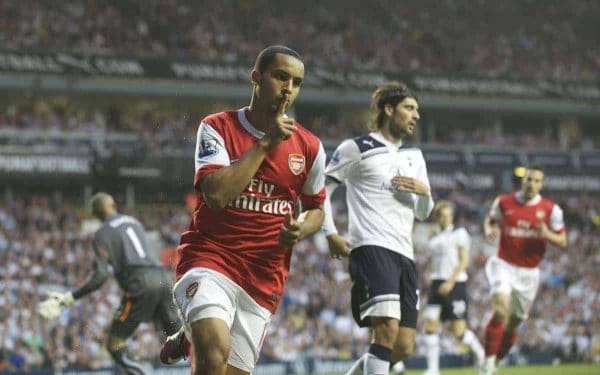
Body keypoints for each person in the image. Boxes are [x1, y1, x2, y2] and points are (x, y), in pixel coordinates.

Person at [160, 45, 326, 375]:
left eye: (296, 82)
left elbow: (317, 209)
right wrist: (266, 143)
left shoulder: (310, 146)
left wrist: (303, 228)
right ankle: (198, 335)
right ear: (256, 78)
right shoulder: (216, 127)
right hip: (211, 257)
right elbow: (217, 195)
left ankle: (190, 336)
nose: (288, 88)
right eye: (280, 77)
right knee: (213, 354)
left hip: (264, 277)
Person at [322, 81, 434, 375]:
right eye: (409, 108)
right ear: (388, 109)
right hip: (371, 247)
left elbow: (424, 213)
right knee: (385, 331)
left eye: (417, 110)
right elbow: (321, 190)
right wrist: (330, 232)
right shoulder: (357, 148)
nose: (416, 115)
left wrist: (425, 193)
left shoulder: (414, 155)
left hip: (405, 254)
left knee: (403, 346)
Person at [38, 192, 181, 374]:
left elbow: (100, 276)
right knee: (178, 338)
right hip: (162, 278)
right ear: (113, 205)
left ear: (96, 214)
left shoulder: (101, 234)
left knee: (115, 344)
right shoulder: (133, 222)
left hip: (139, 283)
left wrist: (69, 298)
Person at [481, 166, 567, 374]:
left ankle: (497, 360)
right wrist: (489, 229)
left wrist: (547, 233)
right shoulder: (503, 201)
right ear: (523, 181)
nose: (532, 184)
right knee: (500, 309)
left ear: (541, 184)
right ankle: (487, 364)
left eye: (537, 181)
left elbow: (563, 240)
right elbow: (491, 220)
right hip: (503, 264)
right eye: (529, 179)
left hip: (529, 273)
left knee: (514, 323)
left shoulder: (550, 209)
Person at [421, 200, 484, 375]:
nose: (446, 218)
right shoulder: (433, 237)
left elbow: (464, 260)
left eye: (449, 215)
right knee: (430, 325)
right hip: (436, 284)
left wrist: (450, 281)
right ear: (437, 216)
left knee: (459, 333)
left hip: (456, 284)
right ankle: (432, 370)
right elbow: (434, 262)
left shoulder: (460, 233)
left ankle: (481, 354)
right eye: (442, 215)